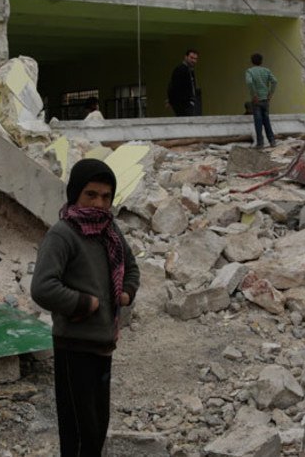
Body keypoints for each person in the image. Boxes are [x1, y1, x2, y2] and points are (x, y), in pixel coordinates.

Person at [31, 158, 140, 457]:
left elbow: (131, 268)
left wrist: (125, 294)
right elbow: (42, 287)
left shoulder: (110, 231)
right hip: (74, 346)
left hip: (104, 344)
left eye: (106, 196)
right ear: (75, 193)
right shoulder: (62, 234)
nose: (99, 203)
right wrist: (85, 302)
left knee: (98, 427)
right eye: (91, 194)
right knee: (79, 433)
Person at [245, 53, 279, 148]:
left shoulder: (250, 71)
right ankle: (272, 141)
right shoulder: (266, 71)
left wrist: (254, 94)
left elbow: (249, 82)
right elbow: (275, 81)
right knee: (266, 120)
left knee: (258, 122)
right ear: (261, 61)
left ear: (252, 61)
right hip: (265, 100)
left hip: (256, 101)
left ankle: (260, 143)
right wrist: (270, 93)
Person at [166, 49, 201, 117]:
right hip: (183, 104)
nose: (193, 60)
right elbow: (173, 86)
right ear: (186, 57)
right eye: (191, 58)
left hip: (188, 103)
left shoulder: (190, 70)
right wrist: (172, 100)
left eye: (195, 59)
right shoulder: (180, 70)